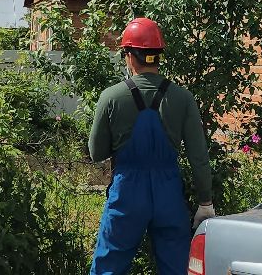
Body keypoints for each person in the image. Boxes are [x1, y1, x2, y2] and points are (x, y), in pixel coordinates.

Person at [87, 17, 214, 275]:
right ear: (157, 55)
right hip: (168, 194)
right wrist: (205, 202)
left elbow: (96, 152)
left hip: (126, 194)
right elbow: (198, 157)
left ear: (129, 56)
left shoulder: (111, 97)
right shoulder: (183, 97)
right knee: (176, 268)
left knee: (108, 267)